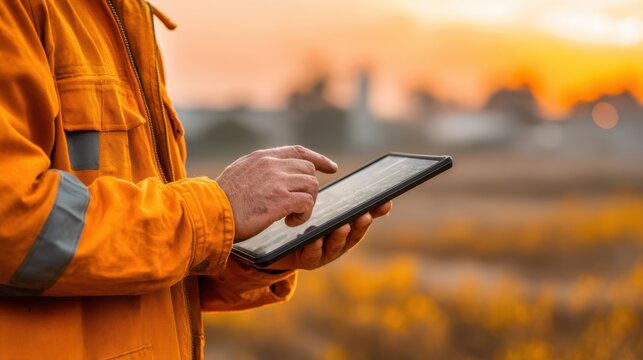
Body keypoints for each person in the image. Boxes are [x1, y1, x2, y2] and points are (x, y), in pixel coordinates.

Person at [0, 1, 392, 359]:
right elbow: (11, 225)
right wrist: (216, 209)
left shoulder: (125, 16)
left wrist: (257, 256)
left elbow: (133, 263)